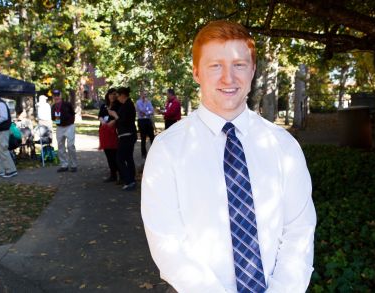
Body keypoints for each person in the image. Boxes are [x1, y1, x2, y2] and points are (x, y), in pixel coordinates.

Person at [141, 20, 316, 293]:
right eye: (215, 66)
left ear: (253, 70)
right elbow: (168, 243)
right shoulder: (167, 151)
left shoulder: (284, 147)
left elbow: (299, 231)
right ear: (196, 72)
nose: (228, 78)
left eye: (239, 65)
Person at [108, 87, 137, 191]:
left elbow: (124, 121)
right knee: (128, 158)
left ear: (123, 95)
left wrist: (115, 115)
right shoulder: (126, 105)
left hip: (127, 135)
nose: (117, 98)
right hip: (126, 135)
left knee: (120, 159)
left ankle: (129, 180)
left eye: (118, 95)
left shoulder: (128, 105)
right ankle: (131, 181)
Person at [51, 89, 77, 172]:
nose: (56, 97)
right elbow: (53, 118)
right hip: (59, 128)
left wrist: (71, 122)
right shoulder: (53, 107)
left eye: (58, 95)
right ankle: (64, 165)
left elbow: (73, 114)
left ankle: (73, 165)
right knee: (60, 146)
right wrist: (57, 120)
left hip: (69, 126)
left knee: (70, 146)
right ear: (53, 97)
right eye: (55, 95)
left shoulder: (67, 104)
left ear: (60, 96)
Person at [98, 88, 120, 182]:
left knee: (115, 153)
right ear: (108, 95)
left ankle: (120, 173)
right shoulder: (104, 105)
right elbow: (100, 115)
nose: (113, 96)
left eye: (115, 94)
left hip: (114, 132)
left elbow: (119, 117)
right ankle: (113, 174)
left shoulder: (118, 105)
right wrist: (102, 121)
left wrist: (113, 121)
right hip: (104, 131)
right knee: (108, 153)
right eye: (111, 94)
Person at [135, 90, 155, 159]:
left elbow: (152, 110)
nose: (145, 96)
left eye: (146, 94)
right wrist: (147, 111)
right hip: (141, 121)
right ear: (141, 94)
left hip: (148, 120)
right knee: (143, 138)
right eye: (144, 94)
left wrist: (147, 112)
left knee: (152, 137)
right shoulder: (138, 102)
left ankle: (154, 152)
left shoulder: (149, 102)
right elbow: (141, 110)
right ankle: (143, 153)